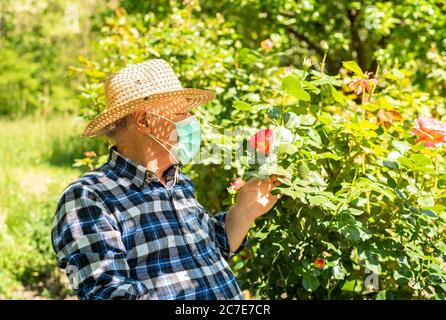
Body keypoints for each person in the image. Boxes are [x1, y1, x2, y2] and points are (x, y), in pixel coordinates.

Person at [51, 59, 281, 300]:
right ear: (144, 121)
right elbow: (111, 294)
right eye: (182, 114)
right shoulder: (89, 197)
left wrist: (244, 210)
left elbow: (211, 250)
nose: (191, 121)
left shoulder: (178, 182)